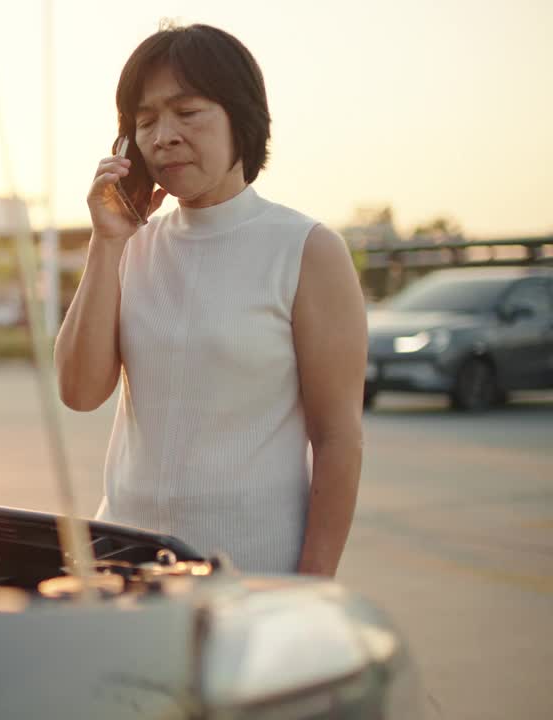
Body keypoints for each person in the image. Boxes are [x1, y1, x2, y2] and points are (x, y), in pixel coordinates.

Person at [54, 23, 367, 576]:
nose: (163, 136)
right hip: (123, 559)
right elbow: (79, 391)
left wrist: (312, 582)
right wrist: (107, 243)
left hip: (252, 568)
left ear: (240, 118)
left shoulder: (304, 248)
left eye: (187, 111)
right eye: (145, 121)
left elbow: (338, 437)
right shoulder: (129, 244)